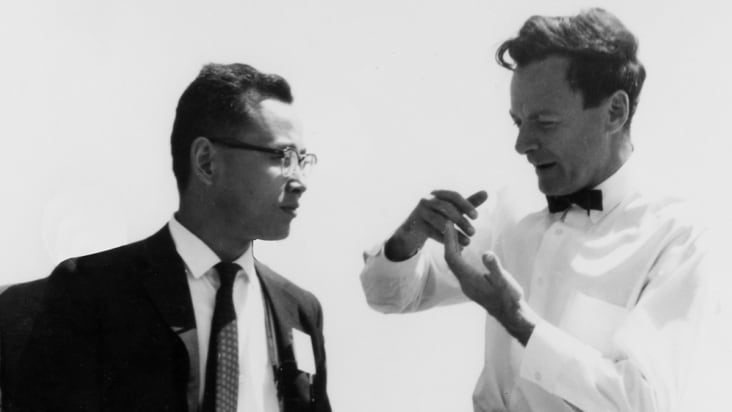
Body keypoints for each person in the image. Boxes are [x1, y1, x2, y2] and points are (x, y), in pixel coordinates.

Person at [360, 8, 719, 412]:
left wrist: (518, 320)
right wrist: (406, 243)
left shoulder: (678, 238)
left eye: (545, 123)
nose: (522, 145)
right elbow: (389, 297)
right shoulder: (511, 212)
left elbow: (641, 402)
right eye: (518, 123)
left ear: (615, 112)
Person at [16, 63, 331, 412]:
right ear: (206, 161)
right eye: (281, 157)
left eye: (303, 160)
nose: (300, 180)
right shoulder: (92, 291)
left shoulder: (301, 312)